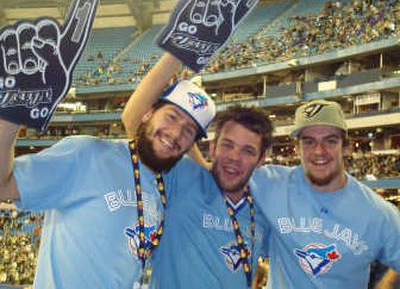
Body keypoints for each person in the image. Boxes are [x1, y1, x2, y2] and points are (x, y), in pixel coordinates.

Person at [0, 52, 216, 288]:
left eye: (188, 131)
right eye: (171, 117)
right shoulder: (86, 154)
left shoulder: (169, 180)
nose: (175, 134)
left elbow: (208, 176)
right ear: (148, 113)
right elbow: (5, 186)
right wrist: (12, 114)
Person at [251, 99, 400, 288]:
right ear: (297, 148)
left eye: (330, 141)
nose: (319, 151)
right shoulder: (271, 184)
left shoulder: (378, 213)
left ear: (345, 147)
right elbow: (214, 174)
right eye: (309, 141)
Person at [145, 105, 273, 289]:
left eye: (248, 151)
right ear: (213, 148)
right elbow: (136, 124)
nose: (235, 157)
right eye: (227, 145)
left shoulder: (262, 209)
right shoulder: (182, 177)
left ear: (261, 160)